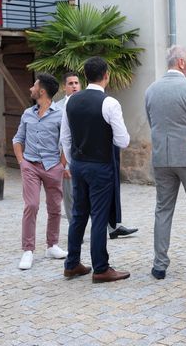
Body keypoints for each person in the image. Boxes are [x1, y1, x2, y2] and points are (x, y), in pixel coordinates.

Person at [144, 45, 186, 280]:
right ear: (181, 63)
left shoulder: (151, 90)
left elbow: (152, 122)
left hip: (162, 158)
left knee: (162, 209)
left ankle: (159, 264)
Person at [61, 57, 131, 283]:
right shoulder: (110, 103)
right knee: (99, 216)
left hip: (79, 164)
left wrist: (73, 162)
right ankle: (101, 267)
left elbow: (65, 137)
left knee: (79, 214)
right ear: (106, 75)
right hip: (101, 164)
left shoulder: (70, 101)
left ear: (85, 76)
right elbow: (123, 140)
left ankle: (72, 264)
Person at [56, 71, 138, 240]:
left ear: (82, 83)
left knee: (91, 208)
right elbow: (63, 137)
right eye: (70, 83)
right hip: (82, 161)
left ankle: (111, 228)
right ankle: (94, 259)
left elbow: (68, 136)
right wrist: (67, 163)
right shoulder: (63, 106)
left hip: (85, 160)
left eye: (76, 83)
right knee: (80, 208)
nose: (74, 86)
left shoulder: (88, 102)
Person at [12, 73, 67, 270]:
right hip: (31, 166)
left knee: (55, 208)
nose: (31, 89)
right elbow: (17, 139)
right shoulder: (27, 114)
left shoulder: (60, 115)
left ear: (41, 91)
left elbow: (67, 142)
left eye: (34, 86)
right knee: (32, 205)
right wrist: (22, 162)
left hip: (53, 167)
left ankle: (52, 245)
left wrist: (61, 165)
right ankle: (28, 250)